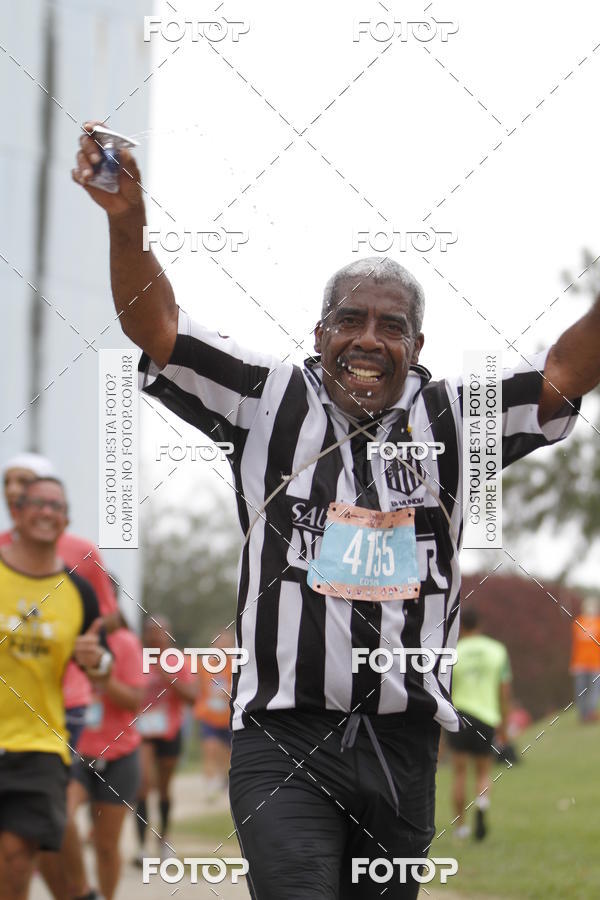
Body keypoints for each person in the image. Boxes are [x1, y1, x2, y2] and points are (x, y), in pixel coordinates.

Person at [73, 128, 600, 899]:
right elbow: (158, 331)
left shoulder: (456, 418)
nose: (368, 340)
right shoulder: (265, 398)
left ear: (418, 343)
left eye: (392, 326)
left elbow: (562, 374)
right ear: (319, 332)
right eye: (350, 320)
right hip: (283, 734)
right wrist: (128, 225)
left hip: (402, 745)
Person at [0, 477, 111, 900]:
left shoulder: (79, 592)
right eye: (38, 503)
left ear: (65, 519)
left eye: (57, 506)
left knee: (15, 857)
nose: (47, 512)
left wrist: (95, 660)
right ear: (17, 511)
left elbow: (103, 668)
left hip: (40, 743)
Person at [66, 625, 145, 900]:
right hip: (77, 753)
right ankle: (84, 892)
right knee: (60, 818)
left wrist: (100, 673)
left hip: (120, 756)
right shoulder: (68, 635)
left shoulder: (125, 642)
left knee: (106, 846)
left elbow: (135, 701)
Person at [134, 616, 197, 864]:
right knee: (142, 784)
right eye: (150, 631)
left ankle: (163, 840)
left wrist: (167, 676)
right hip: (142, 732)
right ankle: (141, 847)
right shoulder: (137, 659)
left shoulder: (177, 661)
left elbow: (192, 698)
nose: (155, 636)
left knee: (163, 788)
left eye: (160, 631)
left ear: (168, 635)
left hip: (170, 730)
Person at [446, 609, 512, 841]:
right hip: (486, 717)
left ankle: (461, 828)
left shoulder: (453, 651)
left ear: (461, 626)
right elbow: (504, 692)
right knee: (483, 771)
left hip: (460, 716)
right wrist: (504, 724)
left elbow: (445, 689)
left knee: (459, 773)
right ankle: (482, 804)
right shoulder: (497, 650)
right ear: (480, 624)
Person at [193, 629, 234, 797]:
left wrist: (229, 691)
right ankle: (209, 784)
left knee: (227, 753)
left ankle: (226, 779)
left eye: (225, 644)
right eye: (219, 644)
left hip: (228, 717)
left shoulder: (236, 665)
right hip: (209, 716)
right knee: (210, 748)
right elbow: (197, 688)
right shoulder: (204, 665)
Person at [569, 597, 600, 723]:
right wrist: (573, 663)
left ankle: (591, 713)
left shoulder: (598, 623)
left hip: (595, 663)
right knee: (581, 690)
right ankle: (583, 714)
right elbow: (575, 645)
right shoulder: (578, 622)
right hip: (580, 663)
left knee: (594, 690)